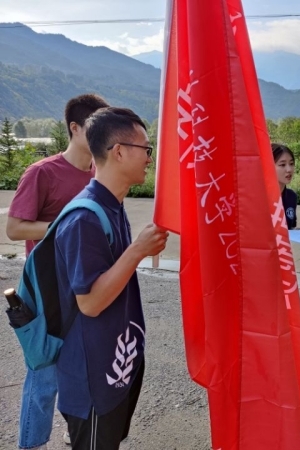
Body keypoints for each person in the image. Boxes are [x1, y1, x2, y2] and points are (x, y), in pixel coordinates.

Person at [52, 107, 168, 449]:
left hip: (117, 362)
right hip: (94, 376)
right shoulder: (84, 219)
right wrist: (137, 251)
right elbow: (89, 303)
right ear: (119, 151)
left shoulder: (112, 205)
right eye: (146, 149)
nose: (150, 158)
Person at [6, 93, 109, 450]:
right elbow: (15, 228)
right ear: (74, 128)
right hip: (46, 288)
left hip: (88, 285)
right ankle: (30, 444)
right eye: (95, 127)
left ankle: (74, 430)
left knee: (83, 370)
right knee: (44, 376)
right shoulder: (42, 172)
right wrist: (66, 225)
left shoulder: (100, 174)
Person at [272, 143, 298, 229]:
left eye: (291, 163)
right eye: (282, 165)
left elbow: (291, 226)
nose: (289, 169)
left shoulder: (291, 196)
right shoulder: (259, 198)